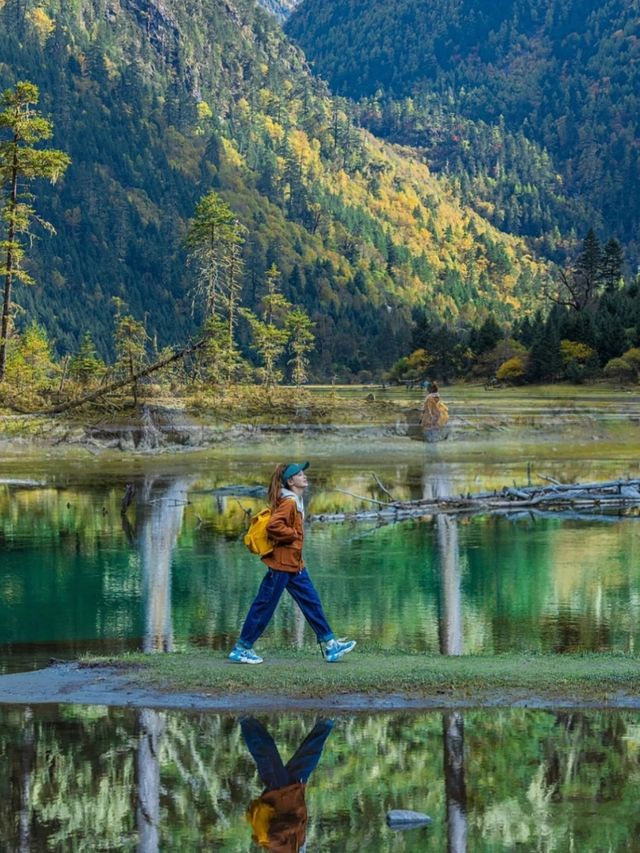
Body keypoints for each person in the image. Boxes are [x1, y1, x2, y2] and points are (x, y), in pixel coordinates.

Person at [228, 461, 356, 664]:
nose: (304, 476)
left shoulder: (294, 500)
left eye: (304, 473)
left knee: (311, 603)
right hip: (281, 566)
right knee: (264, 606)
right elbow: (273, 526)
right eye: (299, 474)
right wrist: (294, 534)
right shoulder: (289, 502)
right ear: (290, 481)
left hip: (294, 565)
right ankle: (242, 648)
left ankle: (331, 646)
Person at [241, 716, 334, 852]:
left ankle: (245, 720)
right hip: (293, 795)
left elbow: (274, 836)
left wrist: (295, 824)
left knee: (266, 754)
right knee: (307, 757)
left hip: (281, 794)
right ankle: (326, 723)